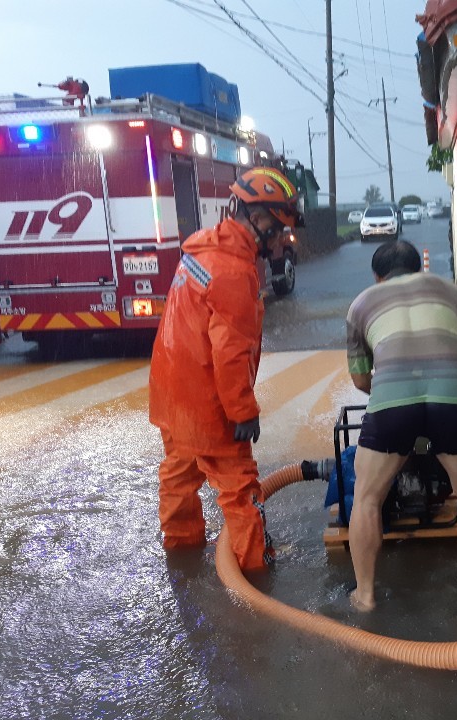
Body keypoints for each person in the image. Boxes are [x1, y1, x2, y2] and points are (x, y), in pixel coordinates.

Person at [149, 167, 301, 572]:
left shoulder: (200, 252)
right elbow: (230, 350)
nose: (281, 240)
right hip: (209, 403)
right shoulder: (234, 271)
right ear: (261, 220)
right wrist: (242, 411)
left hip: (172, 397)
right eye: (280, 228)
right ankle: (254, 573)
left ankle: (181, 555)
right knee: (239, 489)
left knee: (179, 478)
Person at [345, 240, 457, 611]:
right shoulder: (445, 288)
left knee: (367, 498)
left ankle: (364, 596)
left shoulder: (361, 303)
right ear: (418, 269)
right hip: (451, 397)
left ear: (378, 276)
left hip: (392, 402)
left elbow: (361, 380)